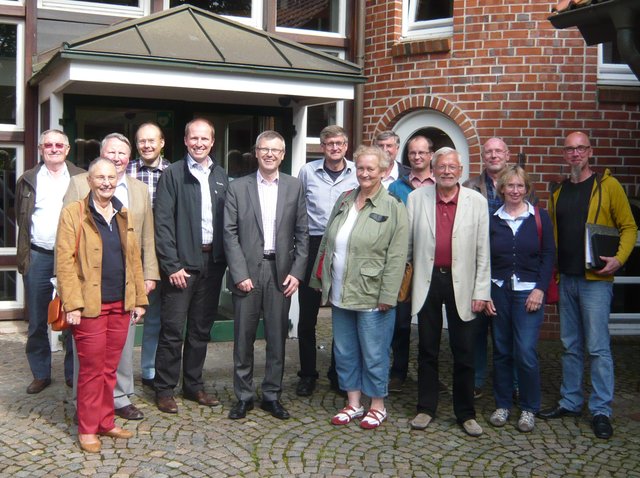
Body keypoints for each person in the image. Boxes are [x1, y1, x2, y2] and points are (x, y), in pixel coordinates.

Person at [538, 131, 637, 440]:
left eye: (581, 148)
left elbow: (629, 227)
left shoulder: (608, 187)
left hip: (596, 281)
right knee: (570, 345)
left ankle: (601, 410)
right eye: (570, 149)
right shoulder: (559, 191)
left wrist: (619, 259)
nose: (575, 154)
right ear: (564, 154)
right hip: (566, 277)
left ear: (590, 152)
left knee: (597, 347)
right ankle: (570, 401)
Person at [311, 145, 408, 429]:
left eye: (371, 169)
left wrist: (388, 295)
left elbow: (397, 255)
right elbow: (327, 244)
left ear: (383, 171)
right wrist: (320, 280)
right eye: (361, 168)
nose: (364, 173)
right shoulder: (344, 199)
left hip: (372, 294)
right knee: (344, 350)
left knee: (374, 351)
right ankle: (353, 403)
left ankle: (377, 404)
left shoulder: (393, 207)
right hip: (341, 291)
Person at [56, 158, 148, 453]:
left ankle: (106, 421)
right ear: (90, 181)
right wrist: (72, 303)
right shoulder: (74, 213)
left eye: (111, 177)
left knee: (110, 368)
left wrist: (139, 300)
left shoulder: (124, 212)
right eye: (100, 178)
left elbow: (134, 259)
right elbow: (65, 262)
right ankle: (87, 428)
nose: (107, 182)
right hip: (89, 306)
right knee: (91, 370)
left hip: (120, 304)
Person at [64, 133, 158, 421]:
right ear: (101, 154)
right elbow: (67, 241)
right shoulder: (79, 183)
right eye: (112, 152)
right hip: (89, 284)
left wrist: (150, 274)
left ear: (129, 160)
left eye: (122, 154)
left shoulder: (138, 189)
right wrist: (70, 296)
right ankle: (88, 404)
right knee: (90, 352)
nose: (117, 158)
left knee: (123, 344)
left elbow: (146, 237)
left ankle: (119, 397)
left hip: (126, 281)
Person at [224, 130, 309, 420]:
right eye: (264, 149)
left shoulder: (294, 187)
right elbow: (230, 233)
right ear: (256, 152)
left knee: (277, 337)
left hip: (280, 272)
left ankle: (272, 395)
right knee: (243, 338)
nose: (270, 154)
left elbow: (302, 233)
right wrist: (239, 272)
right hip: (247, 271)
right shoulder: (238, 188)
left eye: (275, 150)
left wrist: (297, 272)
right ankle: (244, 396)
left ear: (283, 155)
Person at [407, 147, 491, 437]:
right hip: (427, 281)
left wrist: (482, 290)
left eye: (451, 167)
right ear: (433, 168)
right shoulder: (416, 198)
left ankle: (466, 413)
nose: (446, 171)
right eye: (441, 166)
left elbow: (483, 251)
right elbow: (407, 246)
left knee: (464, 351)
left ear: (461, 170)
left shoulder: (477, 202)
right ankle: (425, 408)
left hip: (463, 285)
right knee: (427, 348)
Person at [153, 118, 228, 414]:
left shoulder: (221, 175)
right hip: (181, 265)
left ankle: (193, 385)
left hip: (212, 264)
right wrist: (171, 265)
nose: (199, 143)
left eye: (204, 139)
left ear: (212, 142)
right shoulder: (172, 174)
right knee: (172, 330)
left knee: (200, 329)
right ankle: (164, 388)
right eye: (193, 138)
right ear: (185, 141)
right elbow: (163, 224)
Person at [463, 138, 537, 399]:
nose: (494, 155)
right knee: (478, 332)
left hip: (511, 272)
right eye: (489, 152)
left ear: (507, 155)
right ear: (483, 156)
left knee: (512, 335)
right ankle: (478, 380)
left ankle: (514, 384)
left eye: (499, 151)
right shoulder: (470, 186)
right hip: (479, 271)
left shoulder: (522, 186)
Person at [485, 166, 555, 433]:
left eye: (520, 186)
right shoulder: (493, 219)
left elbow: (548, 255)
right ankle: (502, 404)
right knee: (502, 351)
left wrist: (540, 289)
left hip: (529, 293)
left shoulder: (539, 217)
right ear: (501, 188)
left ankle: (528, 407)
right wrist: (486, 292)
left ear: (527, 189)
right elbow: (485, 259)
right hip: (499, 291)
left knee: (525, 351)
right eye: (510, 186)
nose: (515, 191)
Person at [16, 129, 84, 394]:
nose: (53, 148)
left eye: (59, 144)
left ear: (67, 149)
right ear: (41, 149)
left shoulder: (81, 177)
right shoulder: (28, 179)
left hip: (72, 258)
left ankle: (71, 372)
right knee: (36, 320)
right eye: (48, 145)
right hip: (39, 256)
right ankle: (41, 372)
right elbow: (22, 221)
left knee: (72, 316)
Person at [295, 125, 358, 397]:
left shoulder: (357, 172)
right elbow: (297, 209)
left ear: (346, 146)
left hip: (345, 243)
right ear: (322, 147)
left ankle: (338, 373)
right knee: (307, 316)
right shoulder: (308, 172)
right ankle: (308, 373)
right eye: (330, 143)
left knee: (342, 312)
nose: (335, 147)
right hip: (313, 243)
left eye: (340, 143)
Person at [387, 135, 435, 392]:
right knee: (401, 322)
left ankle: (430, 374)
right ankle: (399, 371)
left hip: (432, 262)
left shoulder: (440, 183)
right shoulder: (397, 188)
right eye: (412, 153)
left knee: (430, 321)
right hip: (405, 263)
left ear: (431, 155)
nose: (417, 157)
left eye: (422, 153)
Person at [126, 122, 171, 388]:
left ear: (162, 143)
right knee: (128, 314)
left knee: (157, 318)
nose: (147, 145)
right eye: (142, 141)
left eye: (152, 140)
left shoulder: (174, 171)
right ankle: (120, 375)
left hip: (164, 254)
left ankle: (150, 370)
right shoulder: (126, 170)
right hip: (133, 254)